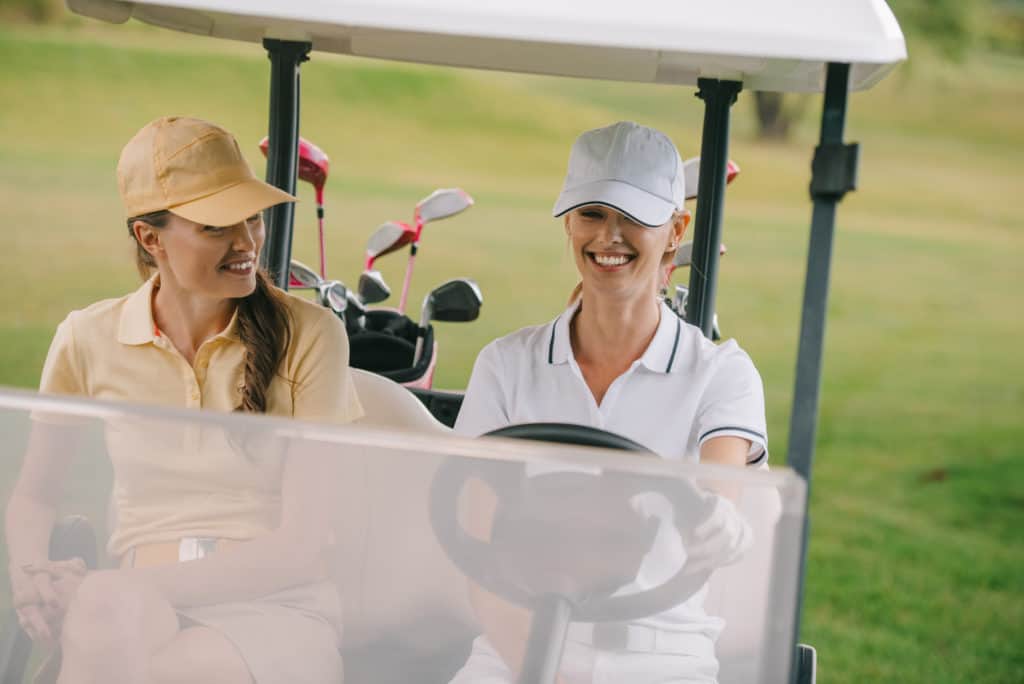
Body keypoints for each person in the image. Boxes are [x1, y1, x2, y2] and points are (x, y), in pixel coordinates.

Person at [5, 116, 363, 683]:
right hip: (134, 601)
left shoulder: (312, 335)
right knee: (105, 618)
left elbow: (300, 543)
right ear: (151, 239)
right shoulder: (86, 336)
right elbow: (35, 494)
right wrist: (33, 580)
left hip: (274, 608)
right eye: (218, 227)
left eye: (252, 217)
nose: (247, 242)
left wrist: (107, 588)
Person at [451, 121, 767, 683]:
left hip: (662, 652)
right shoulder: (507, 364)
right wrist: (537, 665)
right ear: (568, 222)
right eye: (593, 213)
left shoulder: (720, 372)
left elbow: (721, 490)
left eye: (634, 218)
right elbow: (477, 546)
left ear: (675, 230)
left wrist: (719, 519)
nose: (609, 237)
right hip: (515, 638)